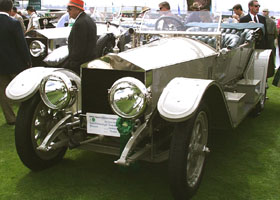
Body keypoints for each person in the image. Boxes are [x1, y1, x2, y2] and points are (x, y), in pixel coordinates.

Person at [0, 0, 31, 125]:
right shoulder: (14, 23)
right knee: (22, 91)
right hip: (15, 64)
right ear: (11, 9)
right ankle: (25, 116)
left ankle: (10, 118)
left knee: (3, 93)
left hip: (1, 65)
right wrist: (28, 60)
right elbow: (21, 44)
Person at [62, 0, 97, 74]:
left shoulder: (79, 23)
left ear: (77, 9)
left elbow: (79, 48)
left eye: (70, 8)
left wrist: (72, 64)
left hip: (79, 64)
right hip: (89, 62)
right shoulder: (89, 20)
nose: (68, 11)